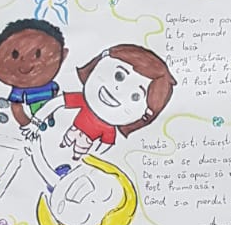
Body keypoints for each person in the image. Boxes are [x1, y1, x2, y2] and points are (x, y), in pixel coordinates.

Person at [41, 44, 177, 162]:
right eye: (119, 76)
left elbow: (104, 148)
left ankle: (75, 157)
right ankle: (63, 146)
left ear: (147, 113)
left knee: (80, 149)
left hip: (87, 143)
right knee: (68, 138)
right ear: (103, 58)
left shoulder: (109, 129)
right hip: (71, 131)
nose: (118, 89)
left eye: (135, 96)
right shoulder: (83, 100)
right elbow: (58, 102)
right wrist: (37, 120)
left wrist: (93, 160)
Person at [0, 17, 68, 126]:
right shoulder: (19, 90)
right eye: (15, 55)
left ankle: (49, 118)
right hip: (35, 110)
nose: (25, 61)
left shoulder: (51, 84)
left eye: (36, 54)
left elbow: (55, 92)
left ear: (63, 56)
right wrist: (26, 124)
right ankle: (41, 122)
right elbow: (16, 107)